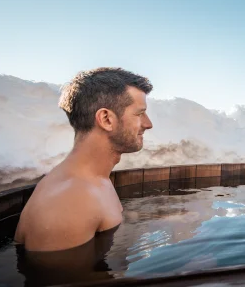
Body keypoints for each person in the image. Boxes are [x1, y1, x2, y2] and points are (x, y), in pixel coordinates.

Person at [15, 68, 153, 252]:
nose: (148, 123)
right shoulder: (70, 201)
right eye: (139, 113)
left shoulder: (92, 181)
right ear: (106, 119)